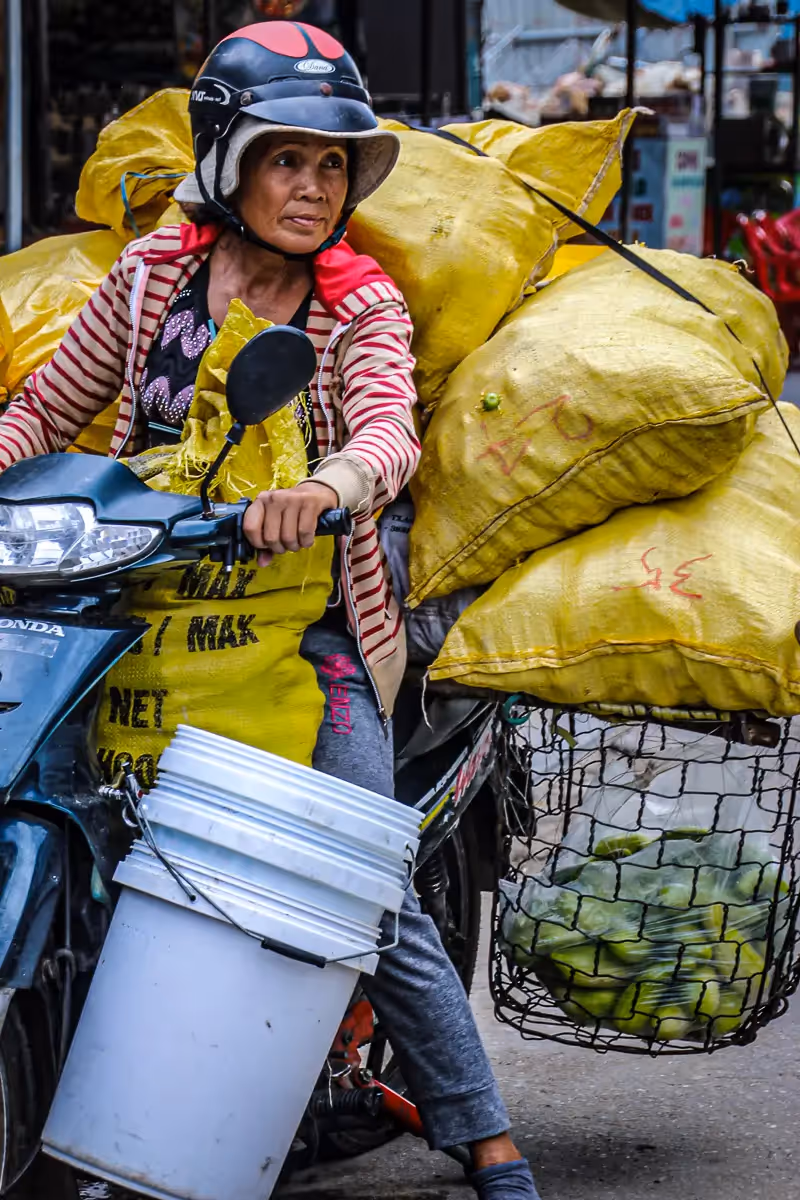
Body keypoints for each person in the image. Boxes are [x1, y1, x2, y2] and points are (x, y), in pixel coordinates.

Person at [0, 21, 541, 1200]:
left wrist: (325, 487)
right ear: (229, 163)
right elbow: (46, 410)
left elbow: (388, 429)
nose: (310, 186)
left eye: (331, 165)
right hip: (133, 605)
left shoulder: (360, 305)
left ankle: (486, 1137)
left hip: (304, 632)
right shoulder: (151, 276)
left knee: (356, 877)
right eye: (286, 158)